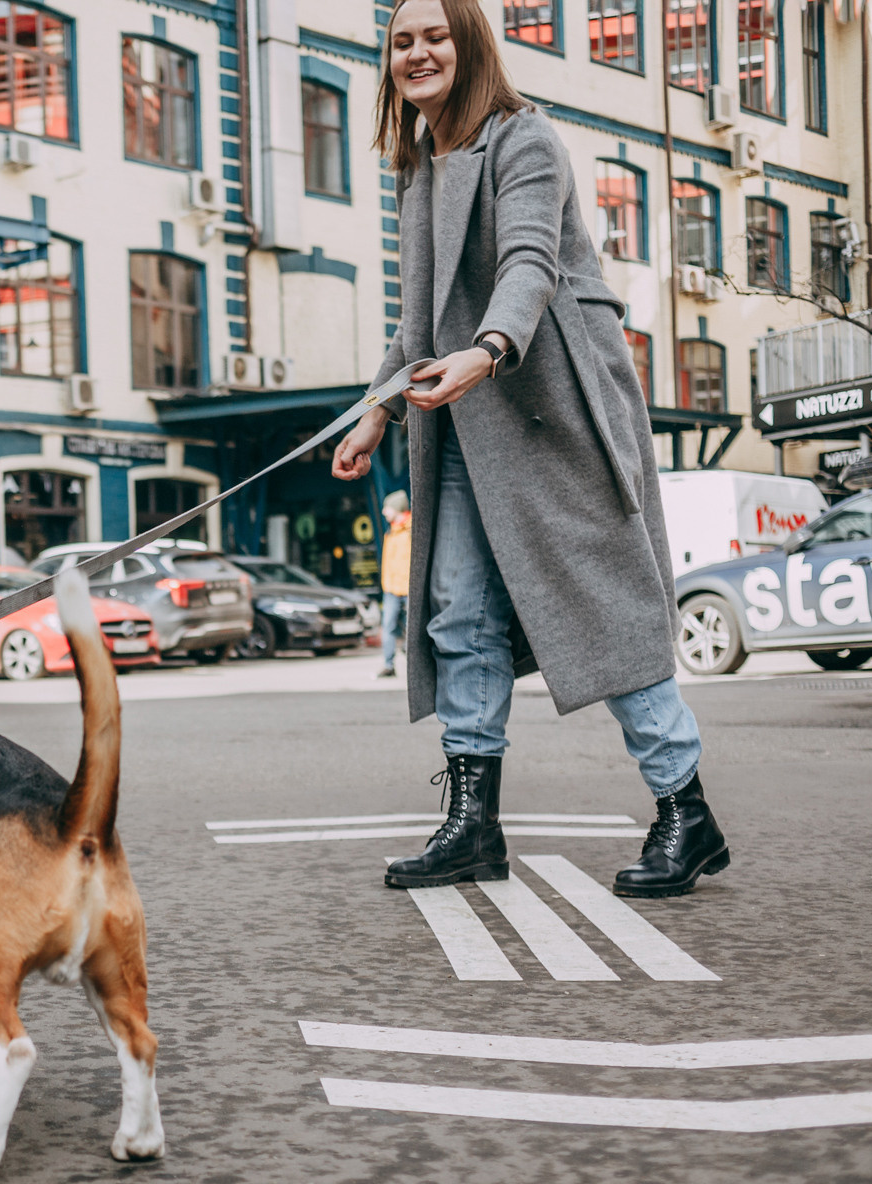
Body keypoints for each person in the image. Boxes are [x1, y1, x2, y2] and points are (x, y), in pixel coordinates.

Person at [330, 0, 730, 899]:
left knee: (603, 607)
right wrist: (374, 412)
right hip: (468, 423)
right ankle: (474, 824)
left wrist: (488, 349)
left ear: (470, 43)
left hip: (553, 408)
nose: (418, 52)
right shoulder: (419, 170)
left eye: (435, 35)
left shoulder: (524, 138)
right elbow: (418, 322)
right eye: (401, 41)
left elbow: (529, 267)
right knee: (454, 608)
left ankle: (686, 811)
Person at [377, 491, 411, 678]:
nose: (383, 512)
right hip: (391, 588)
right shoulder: (391, 531)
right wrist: (386, 584)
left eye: (387, 508)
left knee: (412, 628)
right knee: (388, 626)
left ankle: (414, 661)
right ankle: (388, 664)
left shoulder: (412, 529)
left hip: (408, 588)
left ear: (397, 508)